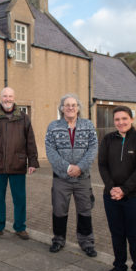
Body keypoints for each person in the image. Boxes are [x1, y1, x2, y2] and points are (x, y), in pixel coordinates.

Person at [98, 105, 136, 271]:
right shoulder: (107, 140)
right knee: (117, 234)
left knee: (135, 234)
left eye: (124, 118)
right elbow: (102, 165)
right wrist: (112, 188)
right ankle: (119, 267)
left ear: (131, 119)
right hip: (112, 196)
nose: (120, 122)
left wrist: (124, 190)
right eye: (117, 119)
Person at [0, 87, 39, 240]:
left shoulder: (24, 118)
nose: (7, 99)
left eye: (10, 96)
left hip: (17, 164)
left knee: (19, 198)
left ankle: (20, 227)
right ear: (0, 98)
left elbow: (30, 141)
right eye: (5, 96)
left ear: (14, 97)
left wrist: (32, 161)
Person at [45, 93, 98, 257]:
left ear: (78, 108)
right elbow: (50, 151)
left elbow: (93, 148)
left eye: (73, 105)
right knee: (59, 211)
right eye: (67, 105)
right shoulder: (53, 127)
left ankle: (86, 242)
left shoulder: (88, 125)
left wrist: (80, 167)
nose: (70, 108)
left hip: (83, 178)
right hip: (61, 178)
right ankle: (58, 240)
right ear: (61, 108)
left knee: (85, 210)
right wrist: (68, 167)